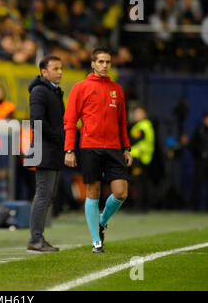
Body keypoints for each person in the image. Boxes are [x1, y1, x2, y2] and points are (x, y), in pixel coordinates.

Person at [64, 47, 132, 253]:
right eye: (100, 62)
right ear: (92, 64)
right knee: (92, 193)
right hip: (89, 147)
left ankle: (101, 222)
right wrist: (69, 150)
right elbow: (69, 121)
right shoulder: (80, 87)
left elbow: (122, 123)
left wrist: (126, 148)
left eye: (107, 62)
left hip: (114, 148)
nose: (104, 66)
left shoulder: (117, 89)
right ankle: (96, 241)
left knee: (121, 193)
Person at [25, 55, 65, 253]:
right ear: (44, 71)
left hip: (50, 149)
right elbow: (36, 122)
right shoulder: (40, 91)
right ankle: (35, 240)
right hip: (43, 149)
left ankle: (38, 238)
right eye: (55, 68)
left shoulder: (53, 91)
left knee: (48, 196)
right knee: (43, 195)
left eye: (61, 68)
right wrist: (58, 137)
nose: (60, 72)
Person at [129, 106, 155, 212]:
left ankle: (139, 206)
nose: (136, 115)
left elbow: (133, 140)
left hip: (140, 158)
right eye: (135, 113)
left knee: (139, 183)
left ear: (144, 115)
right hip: (143, 158)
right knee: (141, 182)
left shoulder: (142, 126)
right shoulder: (144, 125)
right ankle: (143, 206)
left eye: (138, 113)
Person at [189, 112, 208, 211]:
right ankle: (195, 206)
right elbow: (192, 145)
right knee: (198, 183)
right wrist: (200, 153)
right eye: (207, 119)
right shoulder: (200, 130)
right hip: (201, 161)